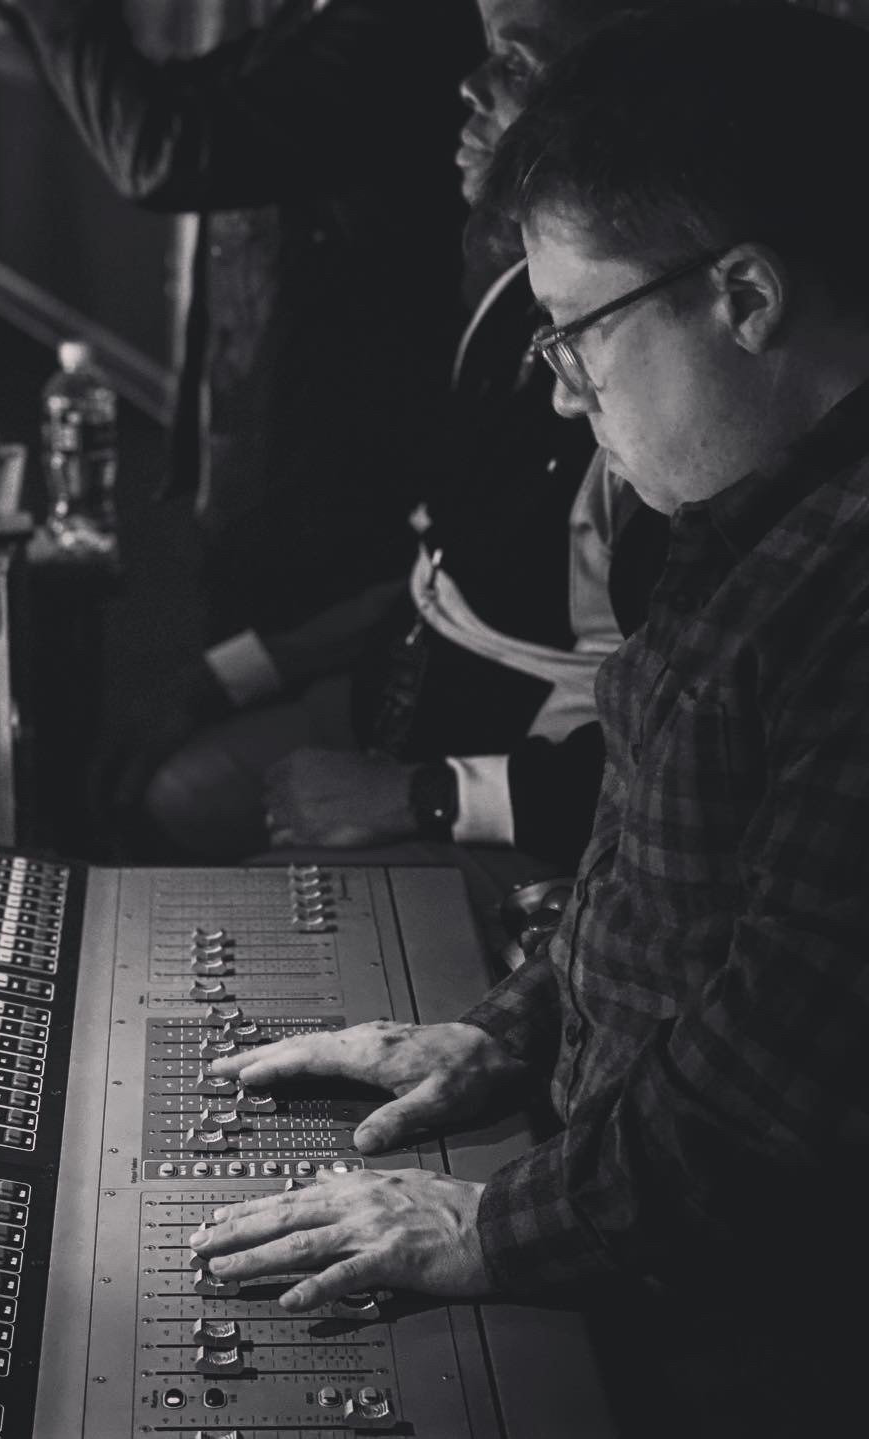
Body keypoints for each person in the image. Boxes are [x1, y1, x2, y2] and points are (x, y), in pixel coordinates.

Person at [188, 4, 869, 1428]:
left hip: (736, 1338)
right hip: (619, 1194)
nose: (565, 385)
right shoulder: (741, 502)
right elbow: (659, 890)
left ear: (744, 296)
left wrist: (486, 1229)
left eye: (583, 332)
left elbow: (760, 1116)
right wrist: (497, 1033)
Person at [132, 0, 671, 892]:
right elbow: (429, 566)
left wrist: (423, 796)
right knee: (175, 793)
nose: (467, 87)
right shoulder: (505, 303)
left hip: (510, 776)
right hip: (404, 696)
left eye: (519, 66)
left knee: (263, 902)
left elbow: (669, 762)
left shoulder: (658, 401)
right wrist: (227, 673)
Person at [6, 0, 480, 638]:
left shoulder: (392, 26)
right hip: (276, 447)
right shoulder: (320, 19)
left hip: (332, 469)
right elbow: (175, 95)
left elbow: (159, 152)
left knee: (274, 680)